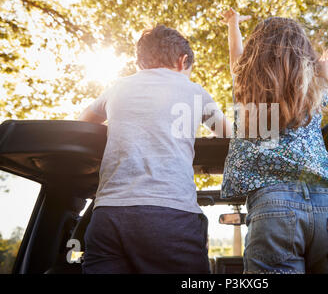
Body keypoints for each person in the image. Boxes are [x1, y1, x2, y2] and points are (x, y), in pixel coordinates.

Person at [220, 0, 328, 274]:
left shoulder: (245, 82)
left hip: (274, 205)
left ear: (254, 54)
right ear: (303, 49)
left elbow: (235, 52)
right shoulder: (317, 80)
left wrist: (233, 23)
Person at [78, 24, 231, 273]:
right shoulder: (194, 91)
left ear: (139, 64)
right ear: (183, 62)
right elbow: (228, 136)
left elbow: (81, 124)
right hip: (170, 217)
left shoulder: (117, 87)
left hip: (108, 215)